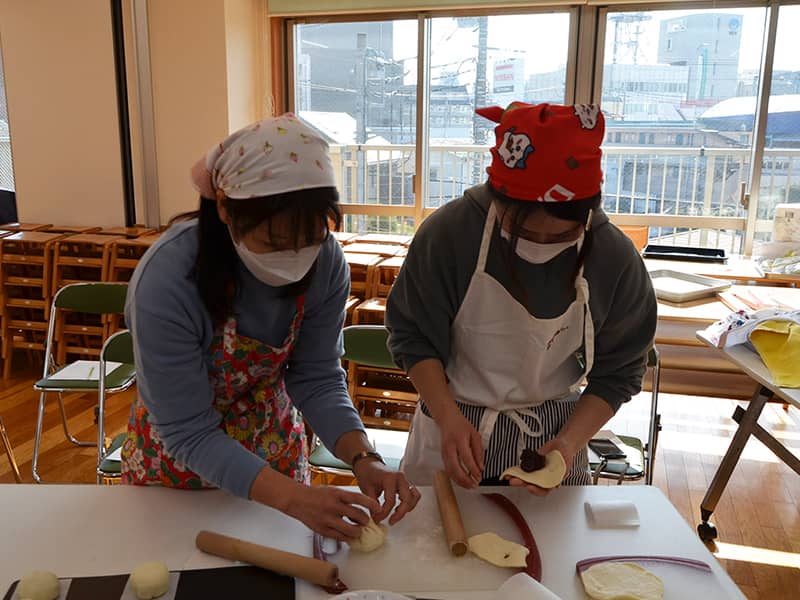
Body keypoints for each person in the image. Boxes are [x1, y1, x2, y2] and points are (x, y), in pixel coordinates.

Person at [121, 114, 420, 539]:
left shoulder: (326, 263)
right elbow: (188, 431)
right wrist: (296, 500)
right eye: (274, 243)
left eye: (310, 240)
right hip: (176, 476)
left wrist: (363, 457)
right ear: (226, 208)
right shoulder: (168, 279)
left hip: (274, 452)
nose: (295, 258)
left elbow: (316, 376)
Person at [385, 102, 657, 491]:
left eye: (561, 237)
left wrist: (566, 446)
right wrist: (447, 417)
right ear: (497, 199)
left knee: (550, 551)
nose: (540, 245)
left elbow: (619, 373)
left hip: (555, 434)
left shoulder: (612, 258)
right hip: (451, 425)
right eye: (521, 230)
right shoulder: (449, 235)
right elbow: (412, 336)